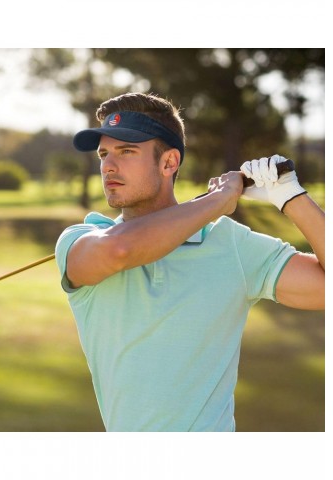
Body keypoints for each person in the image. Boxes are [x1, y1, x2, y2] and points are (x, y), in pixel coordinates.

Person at [55, 92, 325, 432]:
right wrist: (219, 201)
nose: (108, 165)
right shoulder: (82, 238)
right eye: (104, 153)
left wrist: (291, 198)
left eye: (126, 151)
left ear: (169, 163)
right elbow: (120, 251)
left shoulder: (232, 245)